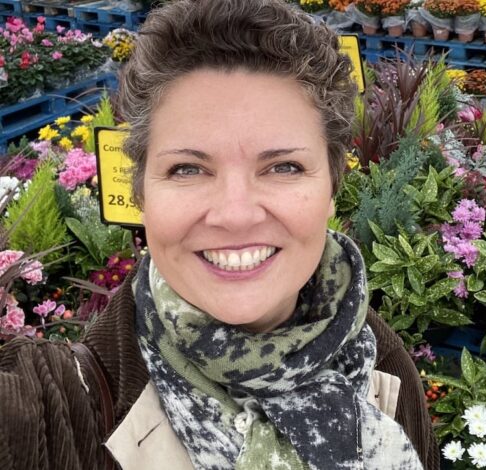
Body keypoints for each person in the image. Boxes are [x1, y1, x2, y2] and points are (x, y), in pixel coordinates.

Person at [0, 0, 439, 468]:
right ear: (142, 194)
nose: (235, 215)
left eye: (284, 167)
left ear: (333, 188)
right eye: (188, 169)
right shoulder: (56, 408)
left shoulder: (384, 366)